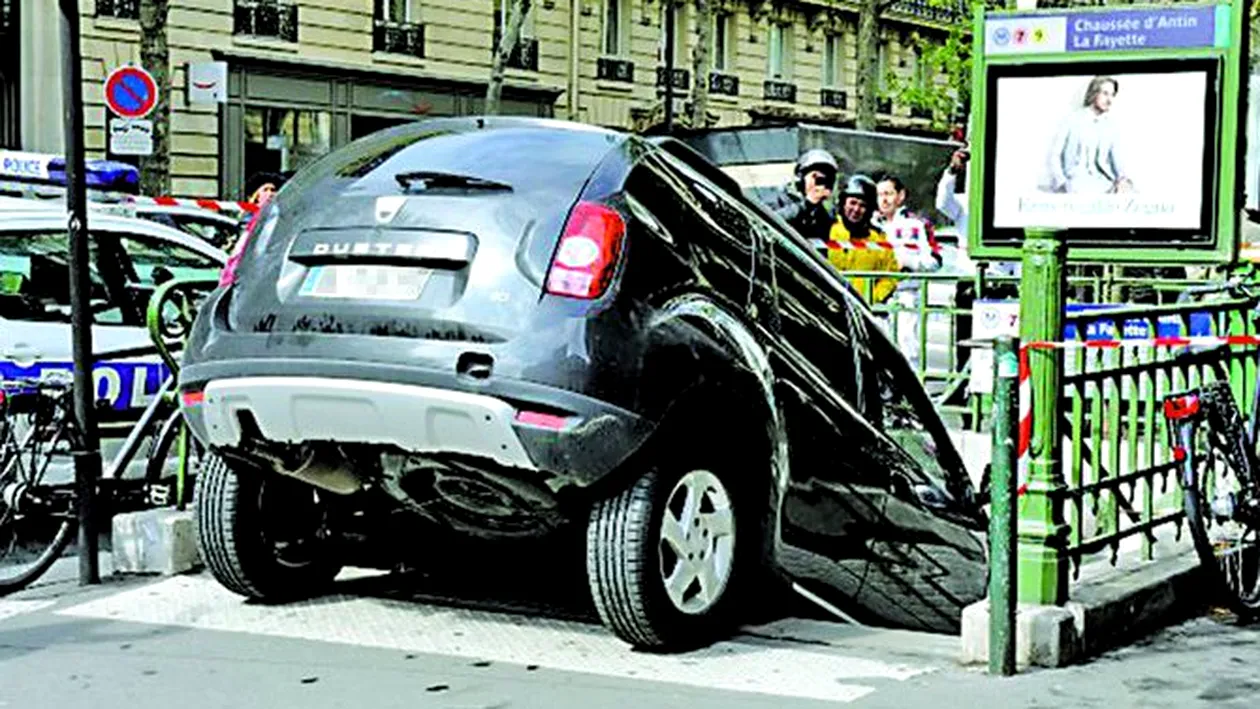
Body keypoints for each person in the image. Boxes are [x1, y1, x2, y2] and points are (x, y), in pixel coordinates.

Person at [1047, 76, 1132, 195]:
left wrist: (1122, 179)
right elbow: (1054, 155)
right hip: (1074, 183)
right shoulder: (1072, 120)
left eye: (1112, 95)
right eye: (1105, 94)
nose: (1109, 100)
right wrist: (1061, 183)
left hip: (1104, 183)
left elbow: (1117, 161)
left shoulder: (1111, 126)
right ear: (1094, 93)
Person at [826, 175, 900, 304]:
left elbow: (890, 276)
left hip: (863, 310)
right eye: (852, 203)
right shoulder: (828, 230)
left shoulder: (878, 239)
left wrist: (873, 299)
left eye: (862, 205)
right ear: (843, 203)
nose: (856, 210)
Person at [769, 149, 840, 247]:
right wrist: (807, 204)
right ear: (801, 177)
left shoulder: (823, 213)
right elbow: (770, 223)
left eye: (826, 181)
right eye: (817, 179)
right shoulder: (780, 199)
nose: (820, 186)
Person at [873, 173, 941, 272]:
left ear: (901, 195)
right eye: (879, 195)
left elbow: (935, 263)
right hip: (874, 285)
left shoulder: (918, 224)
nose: (884, 200)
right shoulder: (870, 224)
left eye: (888, 194)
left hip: (908, 286)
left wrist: (908, 262)